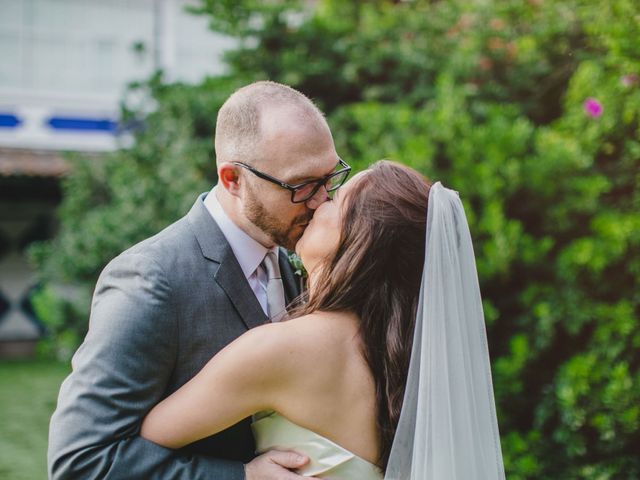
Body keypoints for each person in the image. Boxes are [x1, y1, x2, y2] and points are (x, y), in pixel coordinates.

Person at [48, 81, 349, 479]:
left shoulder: (303, 259)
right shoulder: (151, 280)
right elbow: (82, 461)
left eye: (329, 177)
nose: (321, 200)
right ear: (232, 180)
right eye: (301, 186)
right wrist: (241, 477)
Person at [140, 161, 507, 479]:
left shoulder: (283, 349)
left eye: (336, 198)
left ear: (360, 238)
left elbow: (140, 441)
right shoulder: (414, 364)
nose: (319, 202)